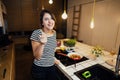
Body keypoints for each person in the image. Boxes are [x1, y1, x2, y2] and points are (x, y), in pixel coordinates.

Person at [30, 10, 60, 80]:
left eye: (52, 18)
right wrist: (42, 44)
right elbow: (37, 57)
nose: (50, 21)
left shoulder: (54, 32)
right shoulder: (37, 33)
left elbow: (50, 51)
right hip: (39, 70)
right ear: (42, 23)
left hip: (51, 67)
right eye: (46, 19)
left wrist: (54, 59)